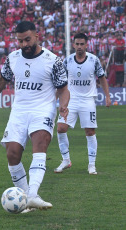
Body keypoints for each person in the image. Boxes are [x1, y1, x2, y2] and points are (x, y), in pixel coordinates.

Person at [0, 21, 69, 212]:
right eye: (20, 41)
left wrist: (63, 105)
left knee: (40, 144)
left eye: (27, 40)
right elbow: (2, 80)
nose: (24, 45)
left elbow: (63, 89)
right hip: (19, 111)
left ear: (37, 36)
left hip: (43, 109)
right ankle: (27, 200)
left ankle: (33, 194)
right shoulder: (13, 58)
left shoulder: (52, 60)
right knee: (12, 154)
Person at [54, 33, 111, 175]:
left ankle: (92, 165)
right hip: (71, 100)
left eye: (82, 44)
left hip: (87, 101)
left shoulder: (94, 60)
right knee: (60, 128)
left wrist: (107, 96)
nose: (79, 47)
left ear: (86, 45)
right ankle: (66, 160)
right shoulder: (67, 61)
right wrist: (54, 98)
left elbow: (102, 78)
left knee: (90, 131)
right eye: (77, 44)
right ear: (73, 45)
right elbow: (61, 82)